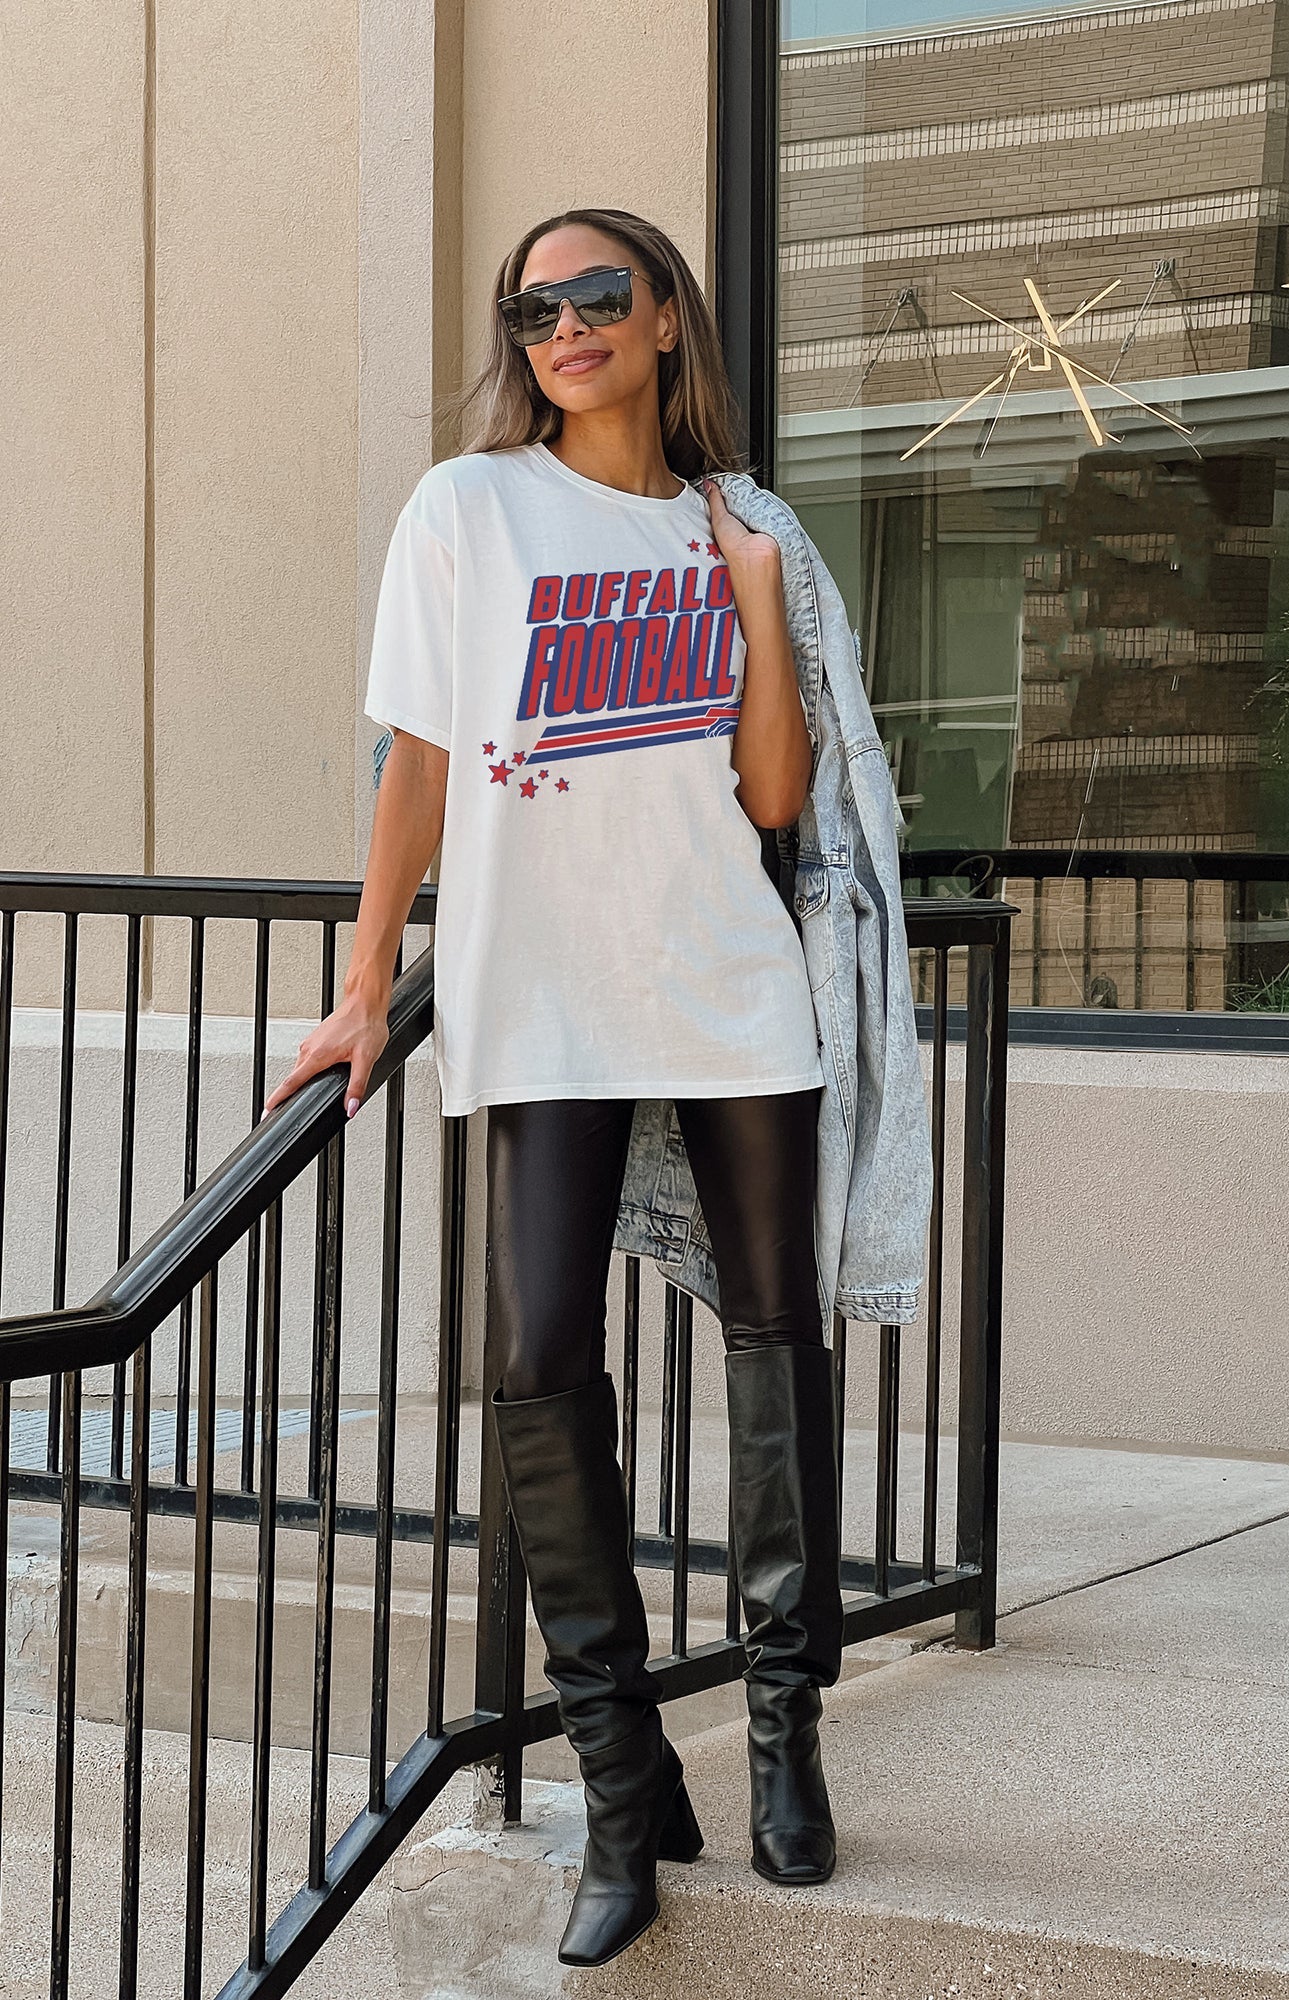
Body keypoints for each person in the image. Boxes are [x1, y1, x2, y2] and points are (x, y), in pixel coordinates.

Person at [263, 206, 844, 1970]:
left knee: (776, 1339)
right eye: (535, 308)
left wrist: (751, 599)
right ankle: (619, 1775)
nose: (566, 326)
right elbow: (420, 763)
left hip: (725, 980)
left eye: (600, 295)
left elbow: (770, 800)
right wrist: (364, 989)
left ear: (665, 319)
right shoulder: (469, 508)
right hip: (541, 996)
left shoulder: (739, 530)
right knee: (531, 1359)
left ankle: (783, 1736)